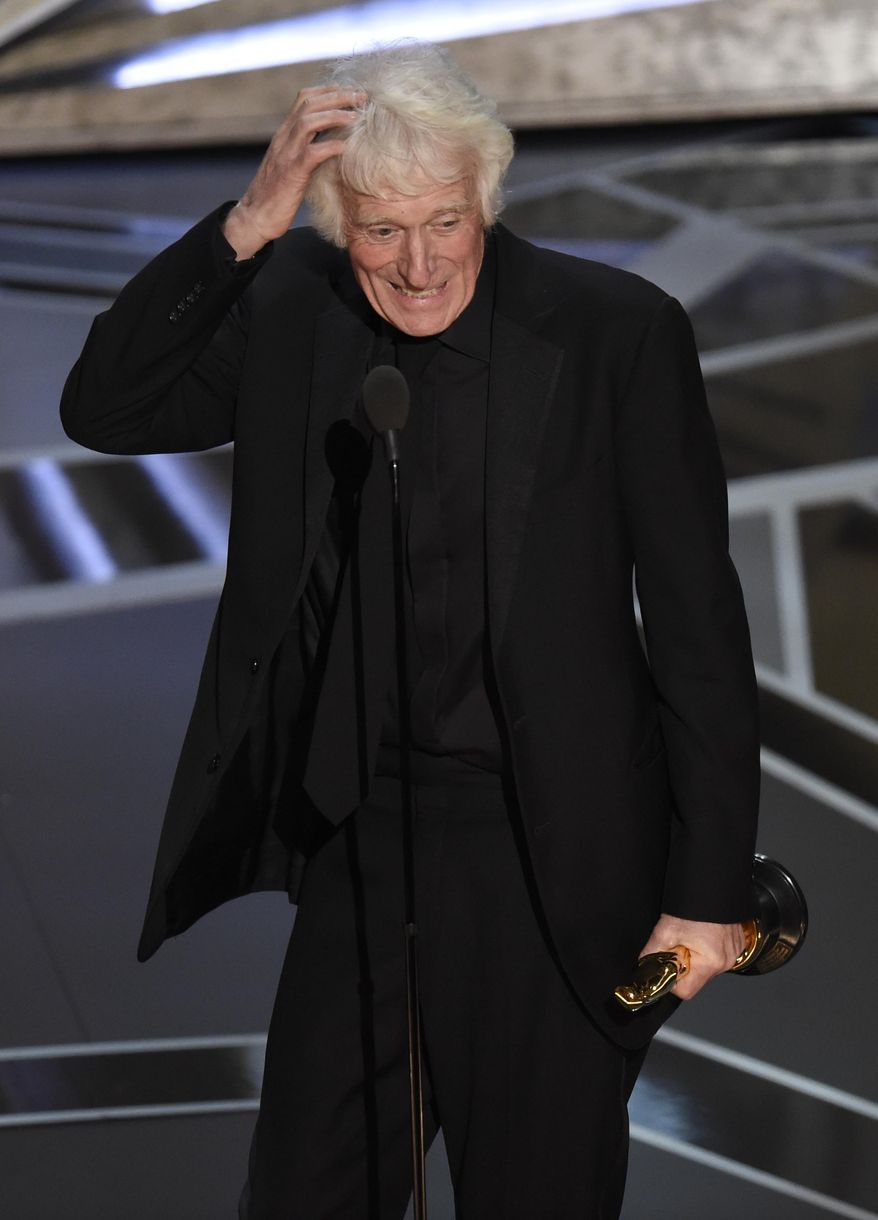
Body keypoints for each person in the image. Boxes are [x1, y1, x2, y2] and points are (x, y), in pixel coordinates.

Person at [61, 42, 759, 1219]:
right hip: (364, 839)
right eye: (382, 231)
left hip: (550, 859)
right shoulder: (297, 306)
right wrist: (248, 222)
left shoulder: (616, 332)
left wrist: (706, 893)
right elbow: (106, 404)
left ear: (484, 197)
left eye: (444, 221)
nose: (420, 263)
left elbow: (697, 621)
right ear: (336, 221)